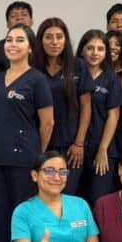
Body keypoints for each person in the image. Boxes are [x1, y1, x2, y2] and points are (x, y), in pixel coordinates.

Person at [0, 24, 54, 242]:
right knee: (1, 210)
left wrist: (38, 155)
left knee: (22, 211)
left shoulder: (37, 80)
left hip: (24, 158)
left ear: (31, 47)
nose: (12, 44)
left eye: (19, 40)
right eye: (9, 39)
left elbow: (47, 123)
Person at [35, 18, 91, 194]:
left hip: (70, 147)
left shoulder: (78, 66)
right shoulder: (32, 67)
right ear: (40, 40)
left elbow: (86, 106)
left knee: (66, 194)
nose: (54, 42)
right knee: (41, 195)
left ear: (65, 40)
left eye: (59, 37)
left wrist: (79, 143)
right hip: (39, 144)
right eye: (48, 37)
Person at [76, 29, 122, 202]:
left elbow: (114, 115)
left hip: (101, 148)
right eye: (90, 48)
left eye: (100, 49)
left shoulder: (111, 79)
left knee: (99, 200)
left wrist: (103, 148)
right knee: (74, 198)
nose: (95, 53)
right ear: (82, 50)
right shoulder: (73, 76)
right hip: (75, 146)